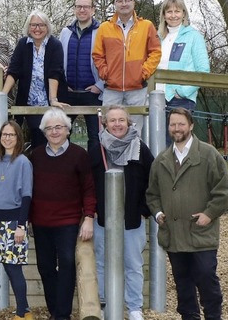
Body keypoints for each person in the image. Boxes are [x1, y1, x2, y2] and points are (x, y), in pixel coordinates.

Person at [146, 107, 228, 320]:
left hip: (201, 232)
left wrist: (209, 214)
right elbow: (152, 194)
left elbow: (224, 190)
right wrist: (157, 214)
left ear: (191, 125)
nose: (176, 128)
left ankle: (213, 316)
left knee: (206, 277)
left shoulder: (208, 154)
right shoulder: (161, 160)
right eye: (173, 124)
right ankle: (189, 316)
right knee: (182, 282)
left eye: (181, 124)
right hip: (174, 234)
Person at [88, 105, 153, 320]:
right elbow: (88, 182)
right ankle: (107, 302)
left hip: (131, 218)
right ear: (105, 123)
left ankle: (134, 307)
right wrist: (93, 209)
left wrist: (144, 209)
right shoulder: (97, 148)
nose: (117, 124)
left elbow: (152, 181)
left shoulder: (140, 148)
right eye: (113, 120)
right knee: (102, 262)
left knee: (133, 264)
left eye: (121, 120)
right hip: (103, 219)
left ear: (129, 123)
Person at [30, 108, 95, 320]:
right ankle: (55, 311)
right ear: (44, 132)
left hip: (67, 221)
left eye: (58, 127)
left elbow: (88, 189)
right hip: (40, 221)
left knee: (67, 263)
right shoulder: (36, 156)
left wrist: (89, 218)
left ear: (67, 130)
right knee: (45, 267)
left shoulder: (79, 155)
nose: (54, 132)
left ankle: (62, 315)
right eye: (49, 128)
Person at [92, 0, 162, 134]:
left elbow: (155, 52)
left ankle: (133, 157)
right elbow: (97, 55)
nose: (124, 4)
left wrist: (144, 72)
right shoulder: (104, 28)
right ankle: (111, 158)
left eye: (127, 0)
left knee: (134, 131)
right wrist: (105, 73)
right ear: (115, 4)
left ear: (133, 3)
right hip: (111, 90)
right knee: (109, 130)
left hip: (137, 89)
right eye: (120, 1)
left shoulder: (146, 26)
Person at [2, 10, 67, 149]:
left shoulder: (55, 45)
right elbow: (14, 71)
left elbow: (55, 73)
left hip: (49, 101)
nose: (37, 29)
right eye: (33, 25)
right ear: (28, 27)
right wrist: (2, 95)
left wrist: (53, 99)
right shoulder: (23, 44)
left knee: (51, 137)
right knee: (35, 136)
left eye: (41, 25)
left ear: (47, 27)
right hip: (29, 101)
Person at [0, 120, 33, 320]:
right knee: (7, 267)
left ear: (18, 138)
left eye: (11, 135)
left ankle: (23, 313)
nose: (7, 138)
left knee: (14, 268)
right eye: (4, 134)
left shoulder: (23, 162)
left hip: (15, 223)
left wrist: (22, 226)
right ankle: (25, 310)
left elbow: (26, 195)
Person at [157, 0, 209, 146]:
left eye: (177, 11)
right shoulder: (157, 37)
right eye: (169, 11)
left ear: (184, 13)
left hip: (180, 99)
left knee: (179, 144)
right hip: (156, 98)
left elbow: (203, 70)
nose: (173, 15)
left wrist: (184, 91)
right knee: (158, 144)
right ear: (164, 15)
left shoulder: (194, 36)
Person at [59, 0, 104, 150]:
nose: (82, 10)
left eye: (86, 7)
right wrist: (63, 85)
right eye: (79, 6)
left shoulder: (101, 31)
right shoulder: (65, 32)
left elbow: (110, 60)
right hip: (68, 93)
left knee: (96, 138)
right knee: (62, 135)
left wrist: (100, 85)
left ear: (93, 10)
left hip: (93, 93)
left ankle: (94, 173)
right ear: (74, 9)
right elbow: (59, 61)